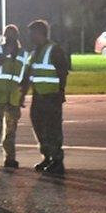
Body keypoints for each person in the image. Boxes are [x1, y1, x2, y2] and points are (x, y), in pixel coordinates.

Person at [22, 20, 70, 174]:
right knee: (39, 127)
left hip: (51, 96)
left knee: (53, 129)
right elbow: (29, 74)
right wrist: (23, 94)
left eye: (32, 33)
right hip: (38, 96)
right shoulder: (35, 52)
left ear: (39, 33)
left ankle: (57, 161)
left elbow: (63, 72)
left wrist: (60, 92)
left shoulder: (54, 50)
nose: (30, 37)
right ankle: (47, 157)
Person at [0, 24, 27, 169]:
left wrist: (22, 95)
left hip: (13, 97)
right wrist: (4, 55)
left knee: (11, 130)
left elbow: (24, 76)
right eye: (8, 36)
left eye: (12, 36)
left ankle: (10, 159)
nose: (10, 39)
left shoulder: (22, 54)